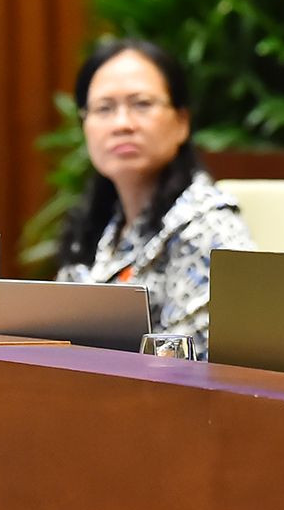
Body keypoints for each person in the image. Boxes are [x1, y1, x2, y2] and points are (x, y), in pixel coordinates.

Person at [55, 38, 253, 358]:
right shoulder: (96, 224)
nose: (122, 124)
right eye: (104, 108)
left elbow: (195, 364)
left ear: (181, 122)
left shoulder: (209, 226)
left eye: (142, 104)